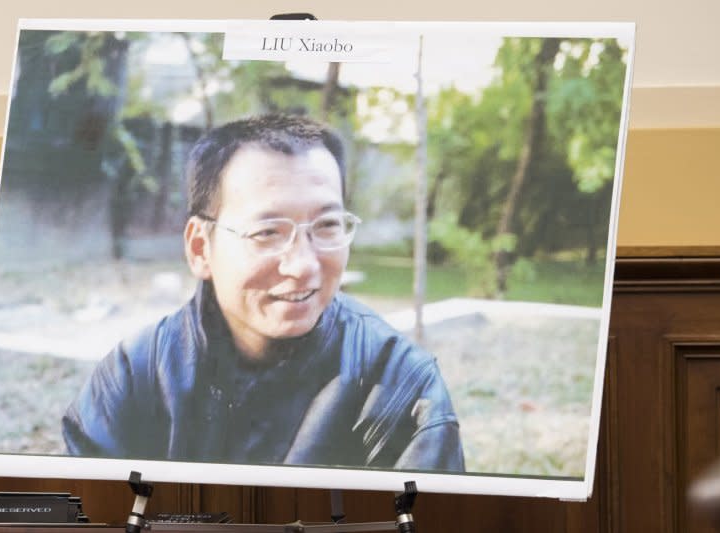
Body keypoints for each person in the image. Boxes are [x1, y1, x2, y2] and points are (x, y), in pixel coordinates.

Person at [62, 114, 465, 473]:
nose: (304, 264)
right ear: (201, 248)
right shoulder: (135, 377)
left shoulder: (399, 387)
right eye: (268, 232)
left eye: (327, 225)